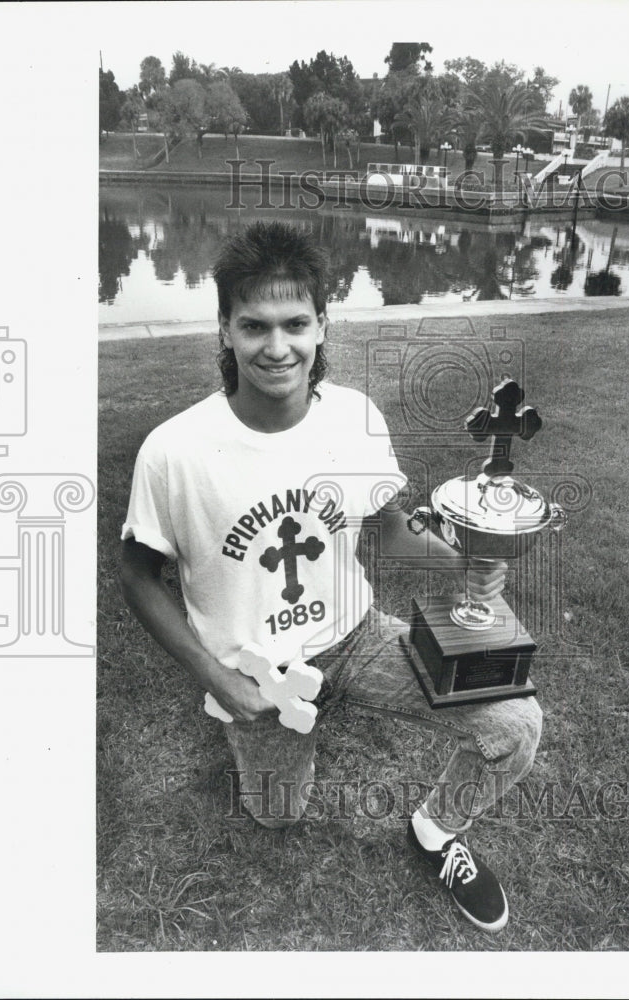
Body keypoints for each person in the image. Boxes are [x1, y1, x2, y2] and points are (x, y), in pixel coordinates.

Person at [120, 221, 542, 933]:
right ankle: (274, 745)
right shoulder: (174, 452)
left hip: (357, 639)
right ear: (224, 328)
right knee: (278, 814)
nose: (276, 346)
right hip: (259, 671)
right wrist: (217, 679)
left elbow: (385, 530)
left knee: (517, 725)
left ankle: (436, 832)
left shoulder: (353, 417)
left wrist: (471, 559)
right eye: (254, 325)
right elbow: (136, 575)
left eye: (295, 323)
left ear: (322, 324)